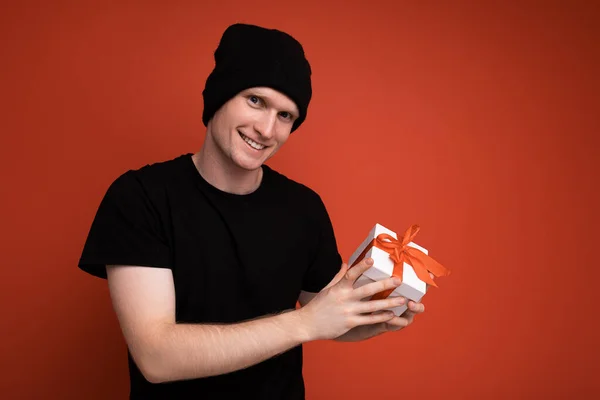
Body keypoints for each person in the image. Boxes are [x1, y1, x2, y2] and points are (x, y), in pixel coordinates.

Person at [78, 23, 426, 399]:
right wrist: (304, 323)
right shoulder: (141, 197)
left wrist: (374, 318)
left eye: (285, 116)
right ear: (219, 97)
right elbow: (155, 357)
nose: (265, 129)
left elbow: (327, 315)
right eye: (255, 100)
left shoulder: (303, 208)